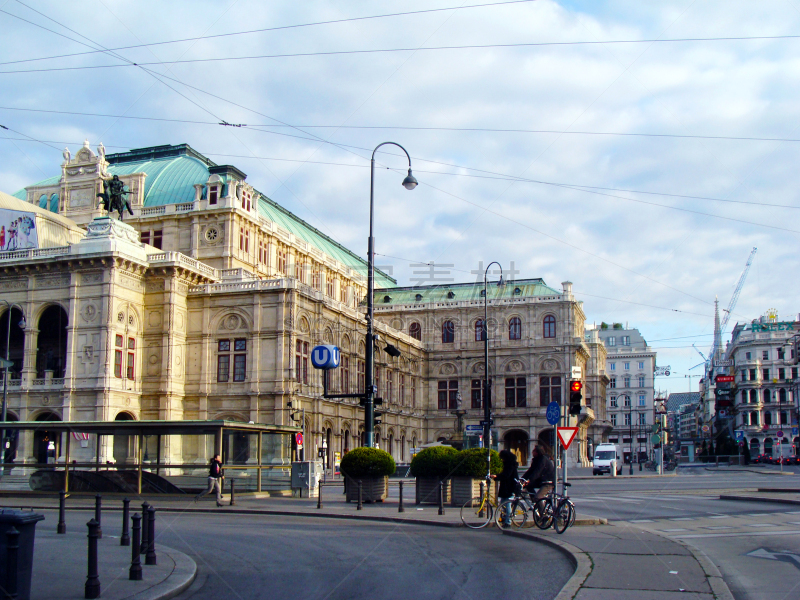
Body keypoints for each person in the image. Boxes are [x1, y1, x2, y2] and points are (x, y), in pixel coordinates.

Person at [491, 450, 519, 527]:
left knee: (507, 504)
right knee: (503, 503)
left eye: (502, 458)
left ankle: (508, 521)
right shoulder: (509, 464)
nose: (502, 459)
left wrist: (497, 476)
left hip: (509, 487)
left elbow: (506, 475)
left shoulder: (510, 465)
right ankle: (504, 518)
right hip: (506, 487)